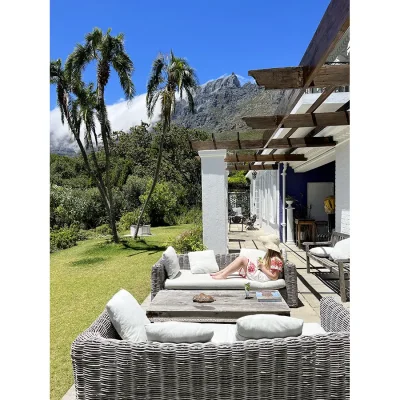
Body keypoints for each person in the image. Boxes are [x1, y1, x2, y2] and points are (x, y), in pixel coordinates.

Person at [211, 235, 284, 282]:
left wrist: (262, 267)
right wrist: (261, 265)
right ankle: (222, 272)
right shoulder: (270, 256)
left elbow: (274, 277)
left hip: (264, 277)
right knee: (242, 258)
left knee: (242, 259)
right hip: (262, 274)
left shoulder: (275, 259)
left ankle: (224, 275)